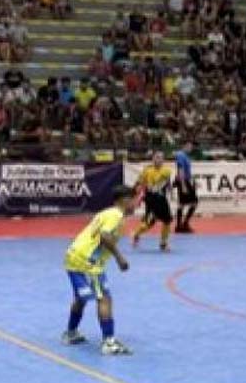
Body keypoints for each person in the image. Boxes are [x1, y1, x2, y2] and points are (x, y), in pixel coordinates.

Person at [62, 184, 135, 355]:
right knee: (104, 298)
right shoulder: (116, 215)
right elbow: (104, 236)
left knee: (81, 297)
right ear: (125, 200)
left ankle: (71, 333)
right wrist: (119, 257)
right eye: (133, 201)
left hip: (74, 254)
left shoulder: (106, 213)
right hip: (88, 261)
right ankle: (109, 342)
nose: (135, 205)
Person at [132, 151, 173, 251]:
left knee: (167, 221)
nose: (159, 159)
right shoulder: (147, 170)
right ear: (153, 159)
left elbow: (167, 183)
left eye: (161, 157)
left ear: (163, 160)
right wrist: (138, 198)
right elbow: (139, 184)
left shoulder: (167, 171)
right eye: (157, 157)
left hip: (162, 200)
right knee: (149, 223)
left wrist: (170, 190)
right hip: (151, 199)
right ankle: (136, 234)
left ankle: (163, 243)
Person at [174, 141, 198, 233]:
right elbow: (180, 169)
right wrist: (183, 184)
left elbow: (187, 171)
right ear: (185, 146)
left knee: (185, 203)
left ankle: (181, 225)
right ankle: (182, 225)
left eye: (192, 147)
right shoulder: (181, 155)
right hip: (183, 181)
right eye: (190, 146)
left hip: (186, 180)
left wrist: (193, 182)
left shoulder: (186, 156)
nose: (191, 149)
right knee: (191, 202)